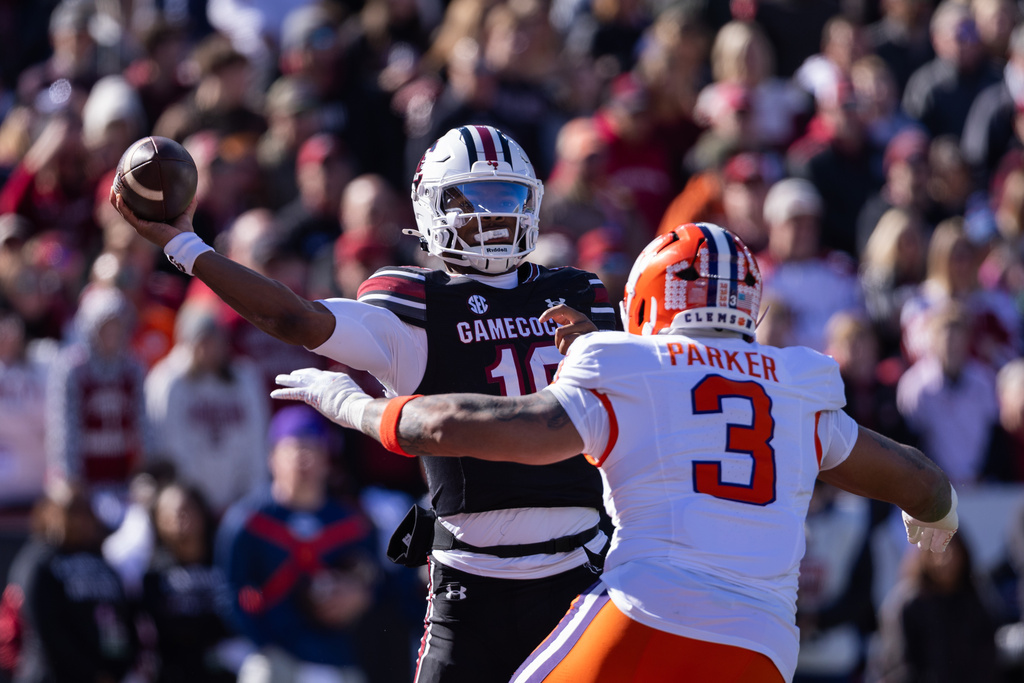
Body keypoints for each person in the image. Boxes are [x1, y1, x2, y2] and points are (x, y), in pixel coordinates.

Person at [272, 222, 959, 683]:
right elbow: (920, 479)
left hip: (649, 607)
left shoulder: (626, 362)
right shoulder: (797, 381)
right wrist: (935, 515)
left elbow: (455, 424)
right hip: (766, 642)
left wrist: (353, 404)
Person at [111, 124, 617, 683]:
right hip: (474, 585)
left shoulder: (581, 294)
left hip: (579, 572)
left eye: (507, 198)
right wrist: (187, 247)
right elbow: (295, 317)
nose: (491, 218)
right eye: (470, 200)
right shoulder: (417, 303)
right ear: (430, 208)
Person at [215, 406, 379, 683]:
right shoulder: (247, 521)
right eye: (294, 449)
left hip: (336, 655)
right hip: (272, 656)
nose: (303, 459)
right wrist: (262, 640)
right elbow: (227, 591)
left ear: (328, 460)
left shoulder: (352, 523)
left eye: (313, 449)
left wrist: (358, 596)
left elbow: (377, 583)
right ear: (272, 458)